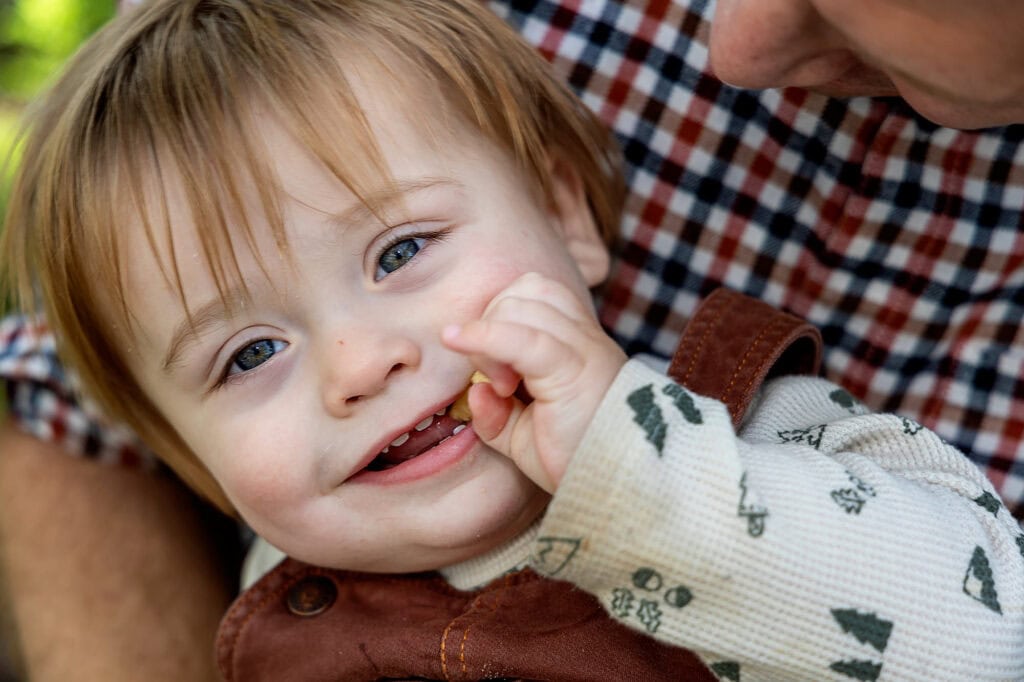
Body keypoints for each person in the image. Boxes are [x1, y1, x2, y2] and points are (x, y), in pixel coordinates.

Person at [2, 0, 1022, 678]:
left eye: (400, 251)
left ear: (564, 216)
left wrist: (637, 469)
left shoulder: (764, 436)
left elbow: (986, 639)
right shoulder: (283, 615)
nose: (362, 365)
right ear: (192, 460)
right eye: (249, 355)